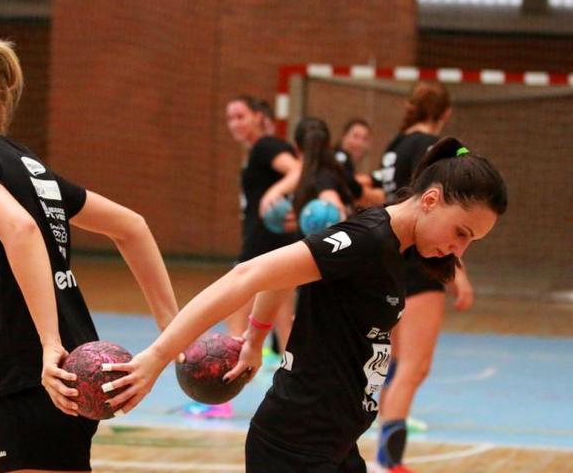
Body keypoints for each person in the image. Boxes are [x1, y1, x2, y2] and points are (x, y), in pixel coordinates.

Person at [102, 136, 508, 473]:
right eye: (461, 232)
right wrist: (157, 356)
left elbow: (288, 272)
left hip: (335, 445)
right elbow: (247, 275)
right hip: (294, 447)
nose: (460, 248)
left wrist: (257, 339)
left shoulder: (396, 248)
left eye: (470, 241)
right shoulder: (366, 240)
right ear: (432, 199)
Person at [0, 40, 178, 473]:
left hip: (40, 379)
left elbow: (21, 228)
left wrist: (49, 345)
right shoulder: (23, 161)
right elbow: (133, 227)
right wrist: (172, 326)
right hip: (41, 379)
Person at [375, 81, 474, 472]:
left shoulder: (393, 147)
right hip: (421, 262)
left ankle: (385, 447)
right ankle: (390, 459)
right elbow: (443, 217)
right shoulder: (431, 150)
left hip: (391, 260)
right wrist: (458, 275)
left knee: (397, 361)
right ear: (445, 113)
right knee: (415, 366)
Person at [189, 96, 300, 419]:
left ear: (258, 116)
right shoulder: (258, 150)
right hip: (279, 247)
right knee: (285, 327)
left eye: (240, 116)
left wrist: (273, 194)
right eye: (230, 118)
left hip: (261, 249)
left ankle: (220, 400)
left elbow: (298, 169)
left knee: (237, 328)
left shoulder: (266, 145)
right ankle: (296, 401)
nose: (235, 123)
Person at [291, 117, 353, 222]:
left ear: (296, 147)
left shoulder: (322, 176)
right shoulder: (334, 170)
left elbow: (336, 208)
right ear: (329, 144)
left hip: (319, 238)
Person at [334, 118, 384, 206]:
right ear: (344, 136)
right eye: (355, 136)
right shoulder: (339, 157)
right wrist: (375, 195)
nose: (359, 143)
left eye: (365, 139)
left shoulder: (346, 163)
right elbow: (348, 183)